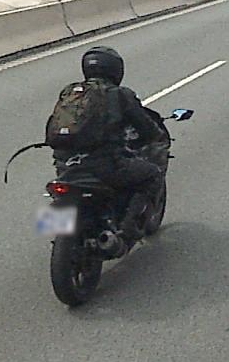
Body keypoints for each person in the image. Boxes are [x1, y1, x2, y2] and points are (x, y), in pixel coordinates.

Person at [52, 45, 169, 242]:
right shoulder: (120, 94)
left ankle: (56, 231)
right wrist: (155, 137)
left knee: (59, 196)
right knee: (152, 175)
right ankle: (127, 231)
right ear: (116, 70)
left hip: (65, 165)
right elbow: (145, 127)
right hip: (106, 167)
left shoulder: (70, 92)